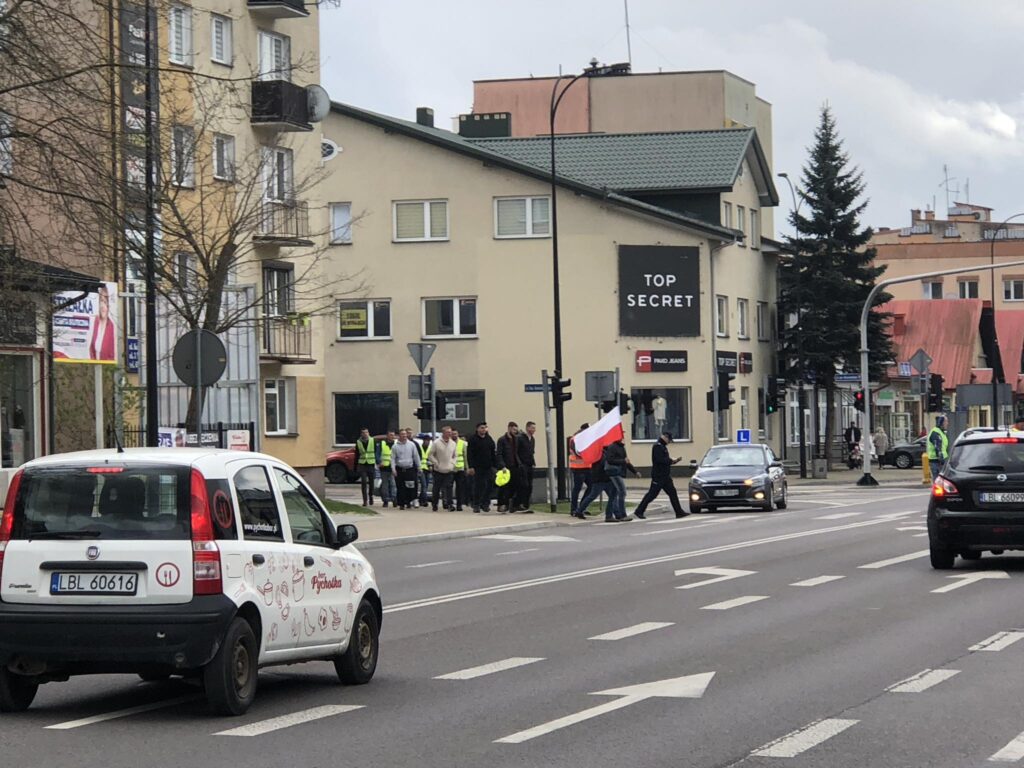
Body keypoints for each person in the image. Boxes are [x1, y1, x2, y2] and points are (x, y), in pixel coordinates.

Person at [633, 432, 687, 519]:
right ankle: (639, 511)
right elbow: (660, 460)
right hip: (659, 476)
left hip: (665, 476)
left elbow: (664, 460)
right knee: (652, 494)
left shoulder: (662, 446)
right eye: (669, 440)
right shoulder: (657, 446)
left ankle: (679, 512)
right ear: (665, 437)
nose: (669, 442)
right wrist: (670, 460)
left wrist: (673, 461)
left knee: (672, 493)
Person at [577, 443, 627, 521]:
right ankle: (579, 510)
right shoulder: (600, 454)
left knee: (612, 497)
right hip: (600, 479)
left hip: (606, 478)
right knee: (594, 496)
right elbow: (603, 465)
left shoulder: (603, 453)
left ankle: (616, 514)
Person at [603, 438, 640, 520]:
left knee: (613, 495)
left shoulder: (621, 447)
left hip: (617, 472)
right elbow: (610, 460)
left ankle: (609, 516)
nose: (623, 438)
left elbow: (626, 461)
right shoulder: (612, 447)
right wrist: (623, 461)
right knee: (622, 492)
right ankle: (622, 514)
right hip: (614, 472)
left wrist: (635, 472)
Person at [466, 422, 497, 513]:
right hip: (477, 467)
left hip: (488, 467)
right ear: (477, 429)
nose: (484, 429)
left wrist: (496, 465)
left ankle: (485, 504)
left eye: (485, 428)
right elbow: (469, 454)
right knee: (479, 486)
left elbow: (493, 453)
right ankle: (476, 504)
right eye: (482, 428)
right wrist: (471, 466)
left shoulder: (489, 439)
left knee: (490, 485)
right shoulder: (473, 439)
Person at [427, 426, 458, 511]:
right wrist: (436, 463)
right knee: (436, 488)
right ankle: (435, 504)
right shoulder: (436, 443)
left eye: (450, 432)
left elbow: (455, 455)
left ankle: (450, 504)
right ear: (443, 433)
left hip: (449, 469)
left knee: (449, 488)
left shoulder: (453, 443)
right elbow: (430, 455)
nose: (450, 434)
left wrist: (453, 463)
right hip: (438, 470)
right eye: (448, 432)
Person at [495, 422, 522, 513]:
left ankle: (512, 505)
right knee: (504, 486)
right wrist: (502, 466)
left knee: (515, 486)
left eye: (516, 430)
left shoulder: (516, 439)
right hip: (505, 467)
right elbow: (499, 454)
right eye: (514, 429)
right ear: (509, 428)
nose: (515, 431)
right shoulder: (502, 440)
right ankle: (501, 504)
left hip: (515, 465)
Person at [391, 429, 420, 509]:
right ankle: (401, 504)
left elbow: (416, 456)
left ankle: (410, 501)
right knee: (400, 487)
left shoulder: (411, 445)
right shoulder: (395, 446)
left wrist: (419, 467)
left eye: (405, 434)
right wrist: (393, 469)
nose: (404, 436)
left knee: (410, 486)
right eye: (402, 434)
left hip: (409, 468)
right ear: (399, 435)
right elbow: (393, 458)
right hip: (400, 469)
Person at [569, 423, 592, 518]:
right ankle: (574, 509)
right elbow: (578, 452)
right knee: (577, 488)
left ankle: (582, 507)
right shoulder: (575, 439)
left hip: (588, 466)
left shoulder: (587, 439)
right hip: (578, 467)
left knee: (592, 486)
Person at [89, 284, 116, 361]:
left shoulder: (111, 326)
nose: (102, 306)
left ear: (108, 305)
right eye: (101, 301)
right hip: (93, 365)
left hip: (106, 368)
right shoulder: (95, 321)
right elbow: (91, 347)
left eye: (105, 302)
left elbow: (112, 354)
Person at [515, 421, 537, 513]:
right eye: (532, 428)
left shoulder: (532, 439)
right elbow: (516, 451)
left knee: (529, 486)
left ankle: (526, 504)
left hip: (529, 464)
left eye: (534, 428)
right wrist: (519, 463)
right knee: (523, 484)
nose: (534, 430)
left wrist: (533, 462)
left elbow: (531, 452)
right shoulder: (520, 438)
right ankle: (518, 503)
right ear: (527, 428)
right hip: (522, 464)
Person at [355, 428, 376, 506]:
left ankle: (371, 495)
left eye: (366, 432)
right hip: (362, 464)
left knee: (371, 482)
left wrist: (377, 463)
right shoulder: (358, 442)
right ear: (361, 434)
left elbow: (376, 451)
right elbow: (357, 454)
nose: (365, 434)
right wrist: (355, 466)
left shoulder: (373, 440)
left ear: (368, 433)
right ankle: (365, 500)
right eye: (363, 433)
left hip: (371, 463)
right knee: (363, 482)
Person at [376, 430, 397, 507]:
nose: (392, 437)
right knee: (385, 485)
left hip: (393, 468)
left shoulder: (396, 444)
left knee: (393, 484)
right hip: (384, 467)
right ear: (387, 436)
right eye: (390, 435)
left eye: (393, 435)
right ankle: (385, 500)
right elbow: (377, 454)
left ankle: (394, 499)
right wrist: (379, 462)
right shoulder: (382, 443)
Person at [927, 415, 949, 481]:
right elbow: (938, 448)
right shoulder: (936, 433)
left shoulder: (941, 432)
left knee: (941, 482)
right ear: (941, 423)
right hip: (937, 462)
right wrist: (942, 461)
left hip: (939, 461)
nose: (947, 423)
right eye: (946, 421)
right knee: (939, 481)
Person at [451, 428, 468, 511]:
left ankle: (459, 505)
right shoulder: (448, 443)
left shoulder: (463, 443)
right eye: (452, 434)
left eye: (455, 434)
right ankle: (450, 504)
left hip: (460, 469)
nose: (454, 435)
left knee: (459, 488)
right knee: (449, 487)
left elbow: (465, 456)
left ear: (458, 434)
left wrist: (466, 468)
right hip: (450, 469)